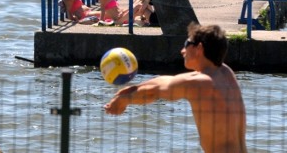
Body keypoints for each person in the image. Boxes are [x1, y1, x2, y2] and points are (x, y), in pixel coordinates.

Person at [105, 23, 247, 153]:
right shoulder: (225, 72)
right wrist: (129, 90)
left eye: (187, 44)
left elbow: (153, 93)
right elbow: (163, 81)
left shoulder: (201, 83)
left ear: (199, 48)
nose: (182, 50)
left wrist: (123, 101)